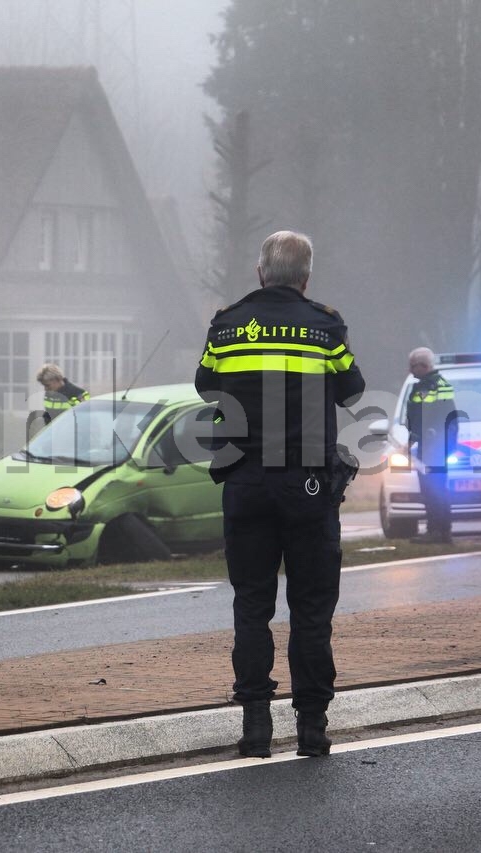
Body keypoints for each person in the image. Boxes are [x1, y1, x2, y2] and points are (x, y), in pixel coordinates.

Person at [195, 230, 365, 759]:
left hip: (245, 483)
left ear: (260, 272)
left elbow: (205, 385)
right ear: (306, 276)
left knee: (251, 606)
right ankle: (312, 728)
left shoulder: (226, 325)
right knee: (311, 609)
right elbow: (354, 390)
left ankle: (255, 728)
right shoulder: (324, 324)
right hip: (308, 486)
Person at [405, 346, 457, 545]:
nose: (410, 370)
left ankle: (434, 531)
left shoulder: (427, 387)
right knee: (440, 489)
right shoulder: (441, 383)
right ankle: (444, 532)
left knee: (431, 490)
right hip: (442, 443)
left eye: (412, 366)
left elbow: (423, 417)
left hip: (431, 445)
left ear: (423, 366)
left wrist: (412, 438)